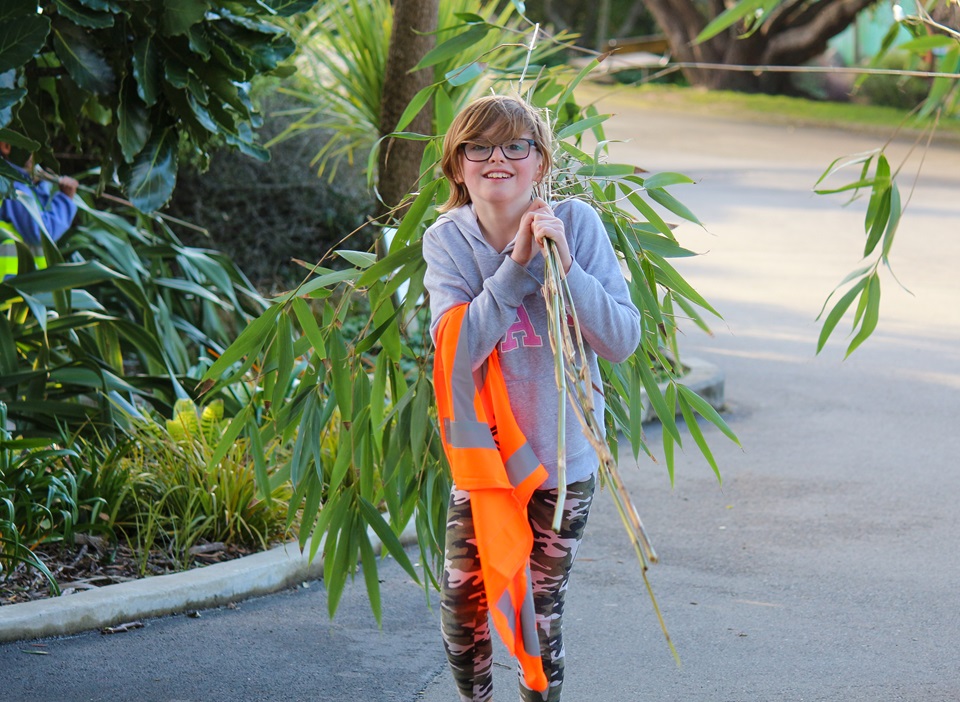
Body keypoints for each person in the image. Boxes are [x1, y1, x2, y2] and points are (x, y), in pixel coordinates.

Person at [423, 94, 641, 702]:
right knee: (462, 609)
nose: (498, 158)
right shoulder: (447, 242)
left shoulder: (576, 223)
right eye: (479, 147)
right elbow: (458, 353)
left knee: (536, 618)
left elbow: (621, 340)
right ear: (457, 166)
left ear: (540, 162)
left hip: (563, 460)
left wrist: (566, 269)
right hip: (488, 462)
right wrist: (517, 266)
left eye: (516, 145)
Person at [0, 141, 79, 279]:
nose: (35, 157)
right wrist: (65, 200)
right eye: (31, 149)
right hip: (11, 291)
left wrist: (39, 183)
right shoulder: (9, 186)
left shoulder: (19, 183)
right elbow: (41, 233)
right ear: (6, 146)